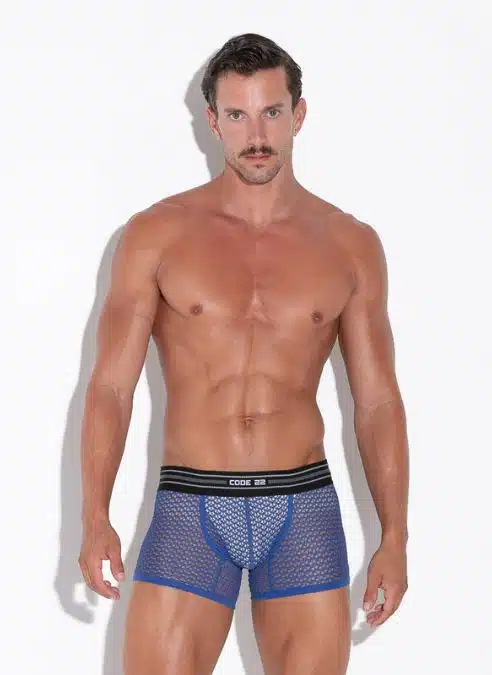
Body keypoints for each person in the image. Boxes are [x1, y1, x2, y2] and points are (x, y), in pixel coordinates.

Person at [78, 32, 409, 675]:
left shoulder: (350, 244)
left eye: (271, 112)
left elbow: (376, 400)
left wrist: (394, 537)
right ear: (213, 122)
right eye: (237, 114)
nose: (256, 134)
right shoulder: (156, 234)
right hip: (190, 505)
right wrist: (94, 515)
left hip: (303, 507)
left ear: (298, 114)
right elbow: (111, 387)